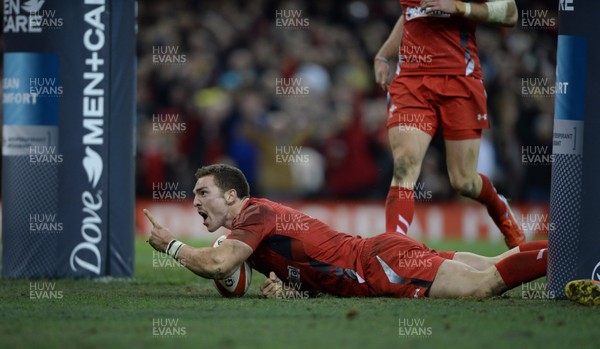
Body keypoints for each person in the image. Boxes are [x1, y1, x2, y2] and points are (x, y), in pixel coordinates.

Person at [145, 163, 547, 299]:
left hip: (378, 265)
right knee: (496, 262)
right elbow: (315, 267)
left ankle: (578, 253)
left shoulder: (255, 213)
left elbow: (218, 264)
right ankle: (573, 250)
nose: (194, 201)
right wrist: (291, 292)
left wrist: (170, 245)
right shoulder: (257, 232)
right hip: (378, 254)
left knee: (482, 287)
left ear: (232, 196)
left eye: (203, 193)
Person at [373, 0, 525, 247]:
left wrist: (460, 7)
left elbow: (510, 13)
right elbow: (411, 14)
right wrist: (383, 54)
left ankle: (500, 208)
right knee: (404, 168)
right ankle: (394, 252)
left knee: (463, 181)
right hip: (412, 82)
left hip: (460, 81)